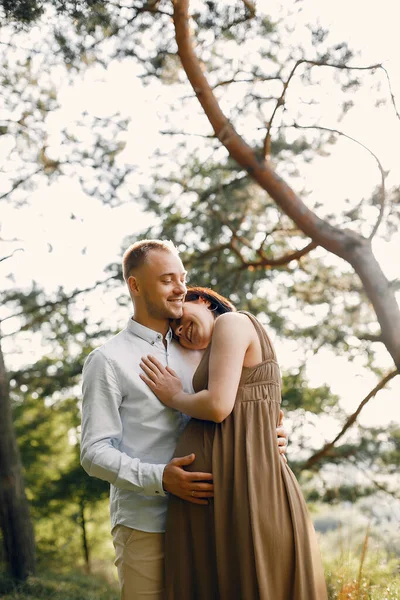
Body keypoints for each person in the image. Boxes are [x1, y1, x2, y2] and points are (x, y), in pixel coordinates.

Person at [80, 240, 288, 600]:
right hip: (148, 524)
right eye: (166, 280)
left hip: (214, 519)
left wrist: (277, 431)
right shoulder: (108, 360)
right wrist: (160, 478)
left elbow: (246, 402)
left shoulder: (199, 345)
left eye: (182, 278)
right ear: (135, 285)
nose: (180, 288)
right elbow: (94, 452)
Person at [140, 286, 328, 600]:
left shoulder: (233, 322)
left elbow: (218, 406)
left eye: (180, 318)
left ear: (201, 299)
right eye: (173, 330)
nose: (180, 330)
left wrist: (174, 397)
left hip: (248, 487)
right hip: (227, 489)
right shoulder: (220, 347)